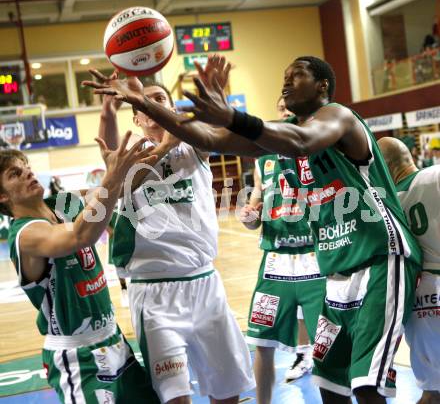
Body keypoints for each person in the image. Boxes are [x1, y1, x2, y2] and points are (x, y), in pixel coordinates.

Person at [88, 54, 423, 404]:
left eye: (297, 76)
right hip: (335, 271)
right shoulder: (276, 142)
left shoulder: (337, 116)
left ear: (323, 85)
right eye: (284, 76)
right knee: (330, 384)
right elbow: (217, 138)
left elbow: (300, 140)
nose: (286, 82)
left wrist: (224, 115)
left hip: (380, 259)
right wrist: (132, 104)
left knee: (366, 385)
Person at [83, 64, 255, 404]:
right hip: (154, 292)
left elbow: (220, 126)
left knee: (227, 394)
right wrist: (108, 109)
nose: (154, 106)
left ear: (171, 109)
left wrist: (216, 95)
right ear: (137, 118)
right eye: (145, 104)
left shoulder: (194, 146)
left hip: (204, 282)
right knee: (175, 396)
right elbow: (125, 180)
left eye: (160, 99)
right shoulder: (129, 158)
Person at [2, 133, 160, 403]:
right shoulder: (24, 234)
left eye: (27, 167)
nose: (27, 173)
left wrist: (167, 141)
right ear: (2, 196)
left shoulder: (63, 203)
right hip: (77, 356)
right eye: (15, 174)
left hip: (114, 338)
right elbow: (79, 235)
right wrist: (113, 173)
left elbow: (117, 190)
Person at [241, 96, 325, 403]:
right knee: (262, 342)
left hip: (315, 259)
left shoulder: (319, 152)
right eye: (281, 109)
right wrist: (250, 216)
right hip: (276, 262)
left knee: (328, 344)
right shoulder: (263, 159)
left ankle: (317, 369)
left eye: (291, 109)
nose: (285, 113)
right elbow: (254, 208)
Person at [378, 137, 440, 404]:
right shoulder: (435, 174)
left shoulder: (384, 203)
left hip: (420, 296)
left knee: (432, 391)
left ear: (385, 167)